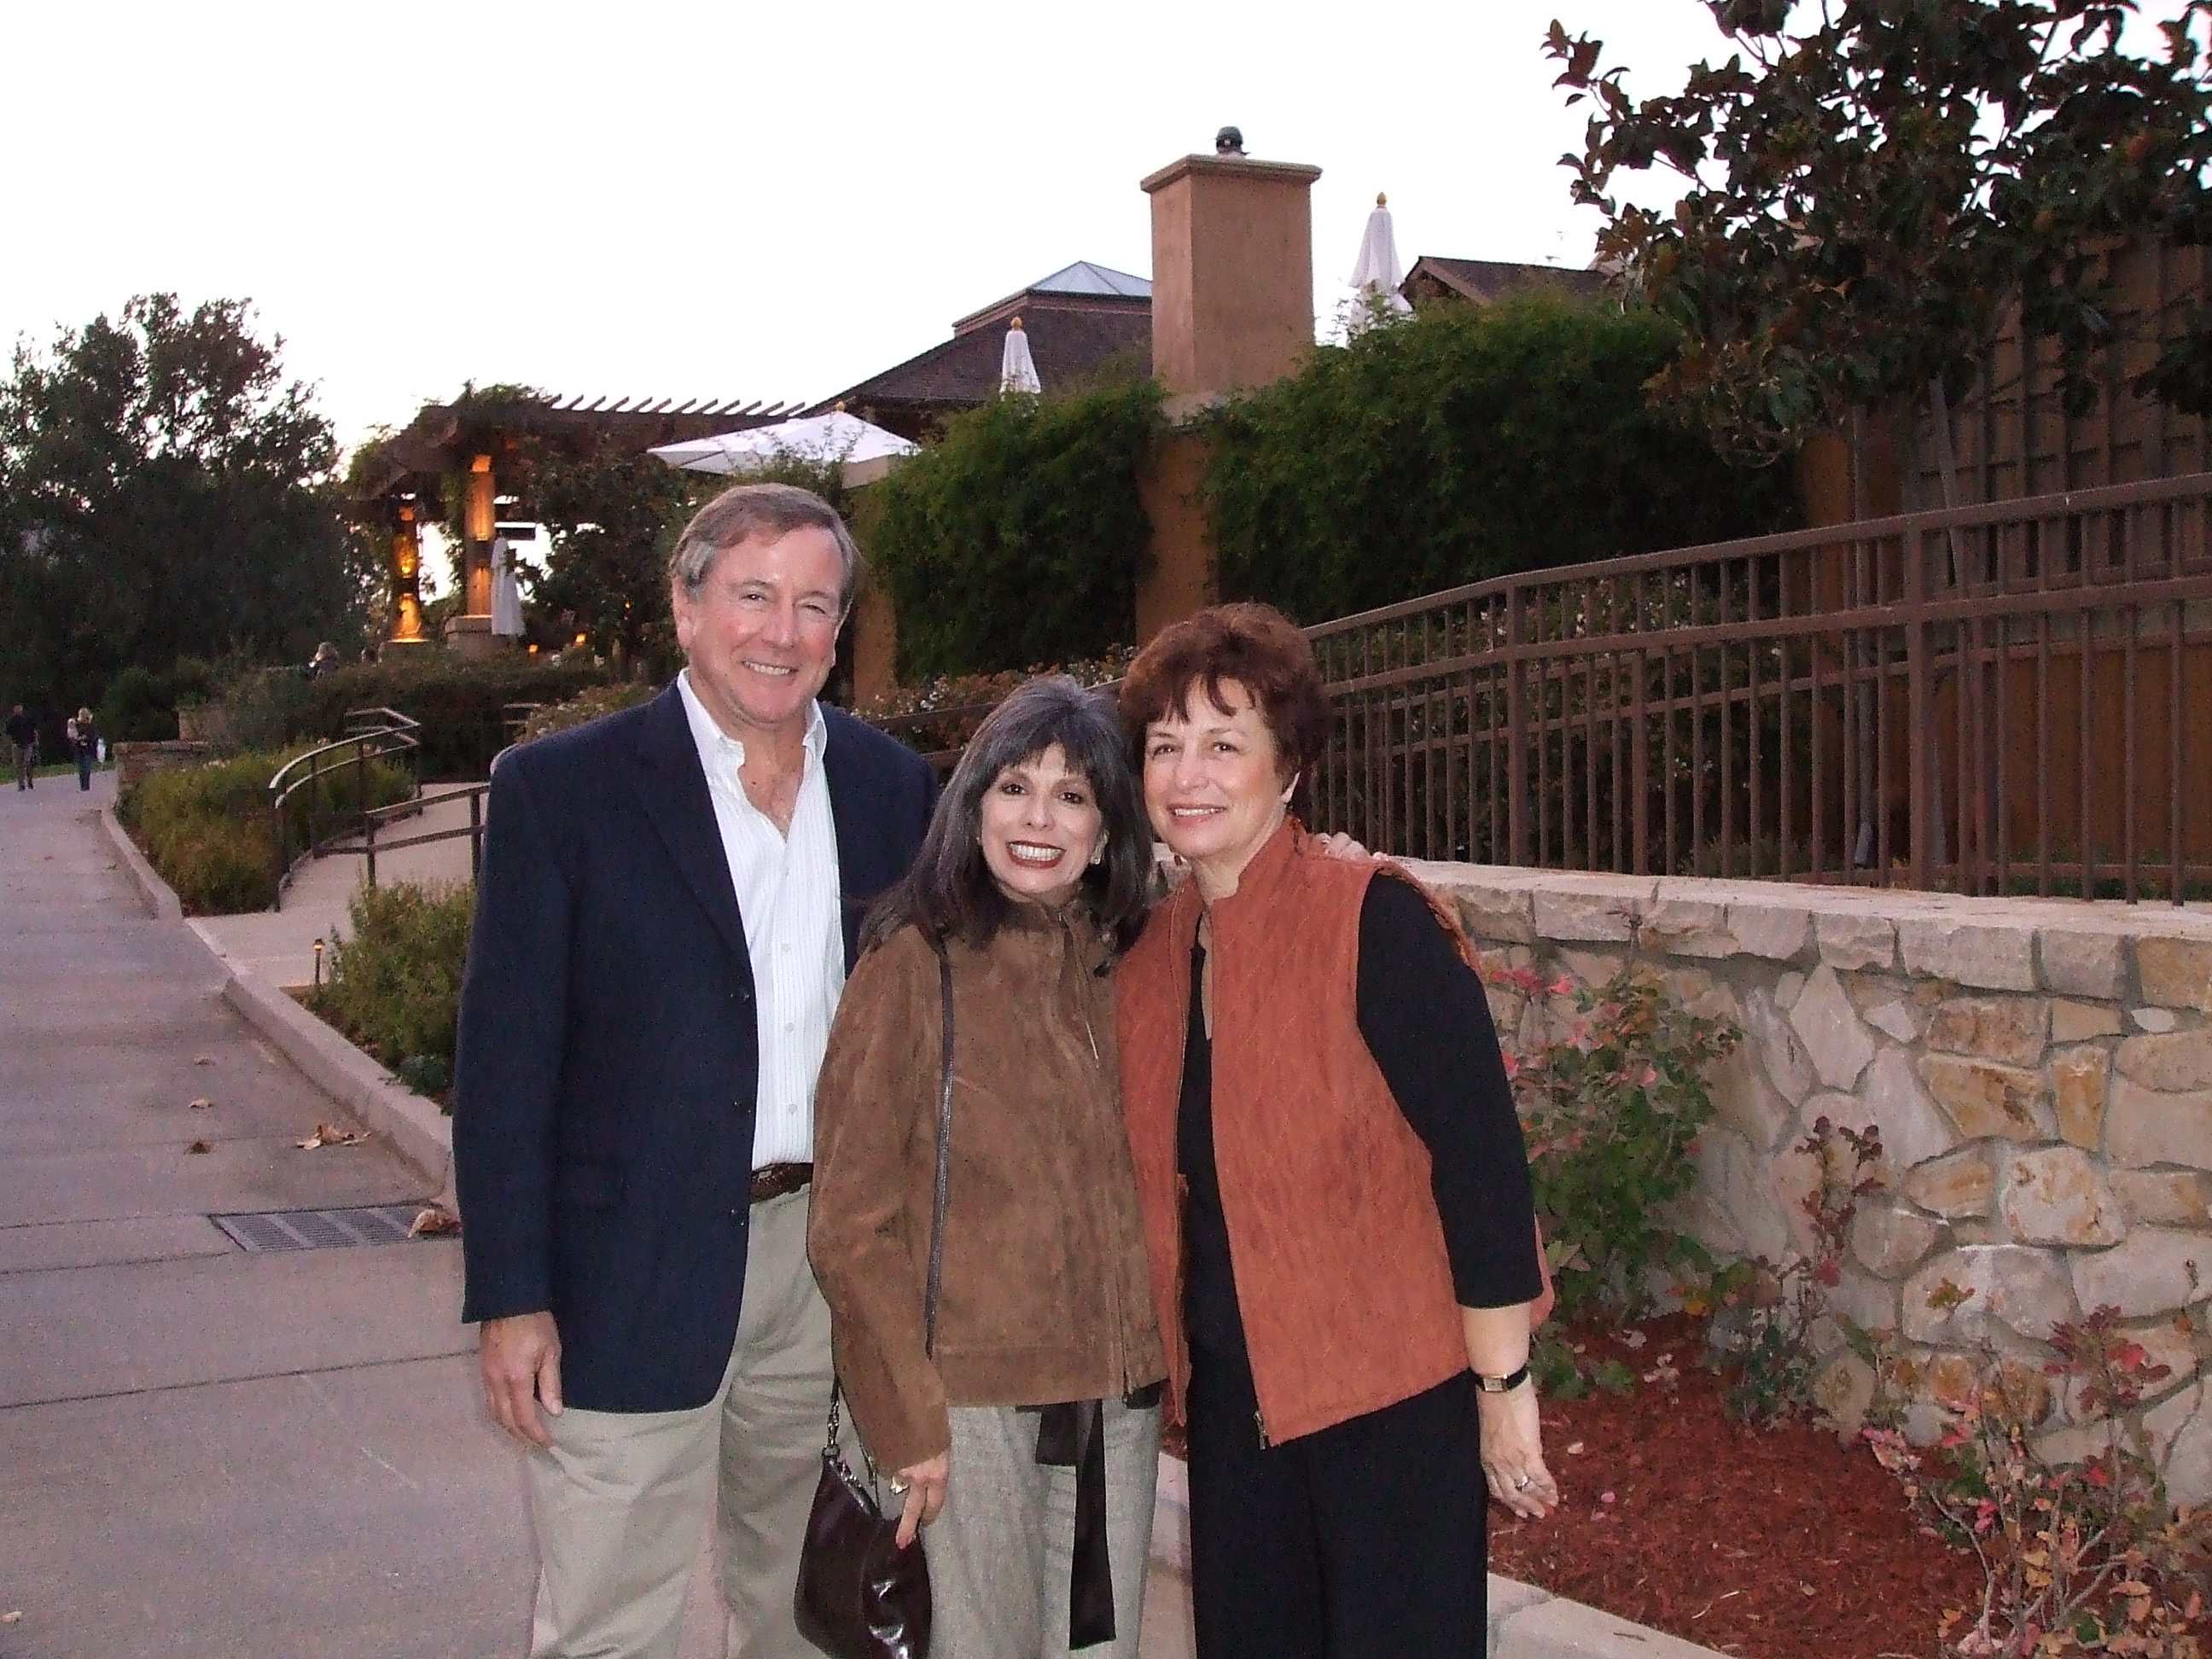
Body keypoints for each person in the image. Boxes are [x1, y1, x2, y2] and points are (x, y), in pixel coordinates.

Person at [452, 482, 937, 1659]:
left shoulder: (892, 790)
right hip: (627, 1270)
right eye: (753, 596)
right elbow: (506, 1060)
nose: (782, 632)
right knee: (610, 1621)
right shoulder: (561, 791)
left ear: (840, 629)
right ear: (684, 606)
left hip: (827, 1267)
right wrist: (512, 1294)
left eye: (813, 605)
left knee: (808, 1614)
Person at [1112, 602, 1557, 1659]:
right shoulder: (1152, 953)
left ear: (1291, 769)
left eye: (1225, 744)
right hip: (1236, 1412)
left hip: (1388, 1400)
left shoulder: (1375, 922)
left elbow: (1481, 1166)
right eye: (1165, 746)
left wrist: (1502, 1390)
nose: (1188, 775)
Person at [810, 678, 1166, 1659]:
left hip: (1115, 1405)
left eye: (1071, 795)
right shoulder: (912, 965)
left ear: (1106, 830)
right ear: (972, 806)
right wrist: (904, 1417)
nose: (1038, 819)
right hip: (969, 1409)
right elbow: (849, 1223)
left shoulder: (1131, 960)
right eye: (1015, 787)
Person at [8, 704, 36, 790]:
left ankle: (29, 779)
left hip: (27, 744)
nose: (18, 711)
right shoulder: (12, 721)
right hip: (17, 745)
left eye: (19, 709)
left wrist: (33, 740)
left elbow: (33, 730)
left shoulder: (27, 719)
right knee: (18, 765)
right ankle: (21, 784)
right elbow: (8, 731)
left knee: (27, 762)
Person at [69, 708, 96, 790]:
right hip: (79, 749)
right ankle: (83, 786)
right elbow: (72, 734)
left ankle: (86, 785)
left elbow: (91, 735)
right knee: (81, 768)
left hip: (88, 749)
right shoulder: (75, 724)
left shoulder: (90, 725)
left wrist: (83, 738)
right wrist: (76, 738)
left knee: (87, 767)